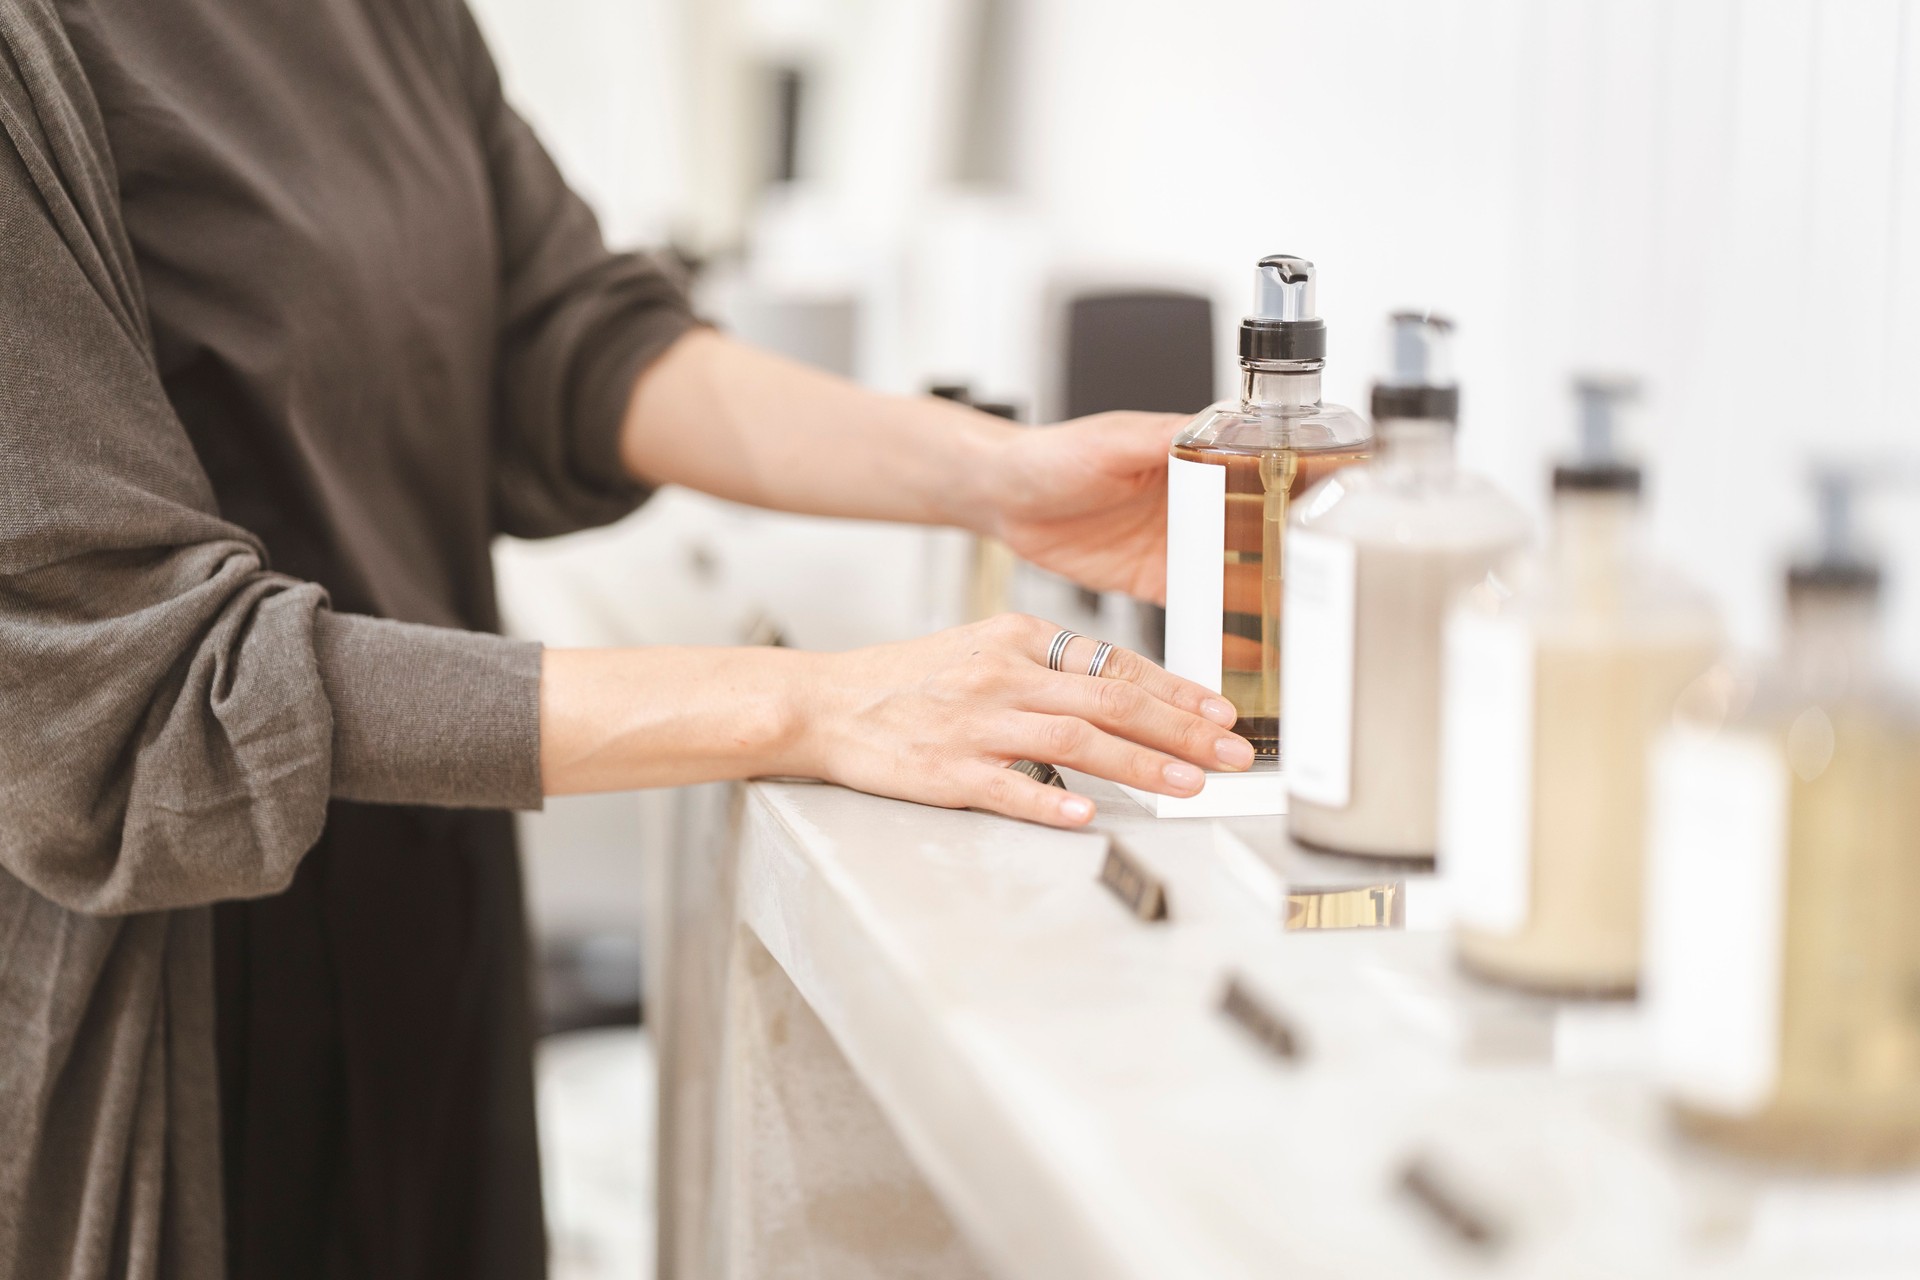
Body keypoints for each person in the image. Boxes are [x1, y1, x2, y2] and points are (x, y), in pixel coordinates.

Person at [0, 1, 1253, 1276]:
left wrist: (998, 474)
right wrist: (814, 704)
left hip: (425, 908)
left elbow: (560, 332)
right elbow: (135, 688)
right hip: (165, 1012)